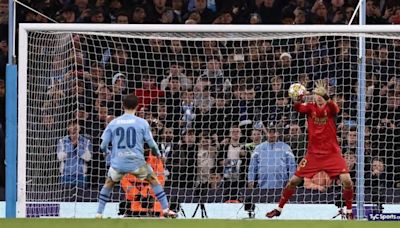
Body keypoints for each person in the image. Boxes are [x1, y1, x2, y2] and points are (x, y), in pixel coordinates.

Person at [266, 80, 354, 219]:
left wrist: (325, 96)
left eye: (321, 94)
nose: (318, 96)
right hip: (313, 155)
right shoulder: (310, 108)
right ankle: (279, 209)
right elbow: (298, 107)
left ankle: (349, 212)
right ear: (313, 96)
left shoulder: (330, 108)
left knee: (347, 180)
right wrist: (297, 98)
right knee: (293, 181)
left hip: (332, 154)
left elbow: (336, 109)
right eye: (316, 94)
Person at [95, 94, 177, 218]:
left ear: (123, 105)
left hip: (119, 163)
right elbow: (151, 144)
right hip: (136, 162)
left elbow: (103, 145)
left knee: (108, 184)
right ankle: (166, 209)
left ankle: (99, 213)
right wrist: (158, 153)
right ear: (137, 106)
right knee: (154, 180)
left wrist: (107, 152)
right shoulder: (142, 122)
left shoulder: (113, 122)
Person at [57, 121, 92, 189]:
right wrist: (72, 145)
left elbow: (88, 158)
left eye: (76, 125)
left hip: (81, 176)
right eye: (71, 125)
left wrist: (78, 147)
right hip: (66, 176)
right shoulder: (62, 141)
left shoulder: (86, 141)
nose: (74, 127)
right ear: (68, 128)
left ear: (80, 128)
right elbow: (60, 157)